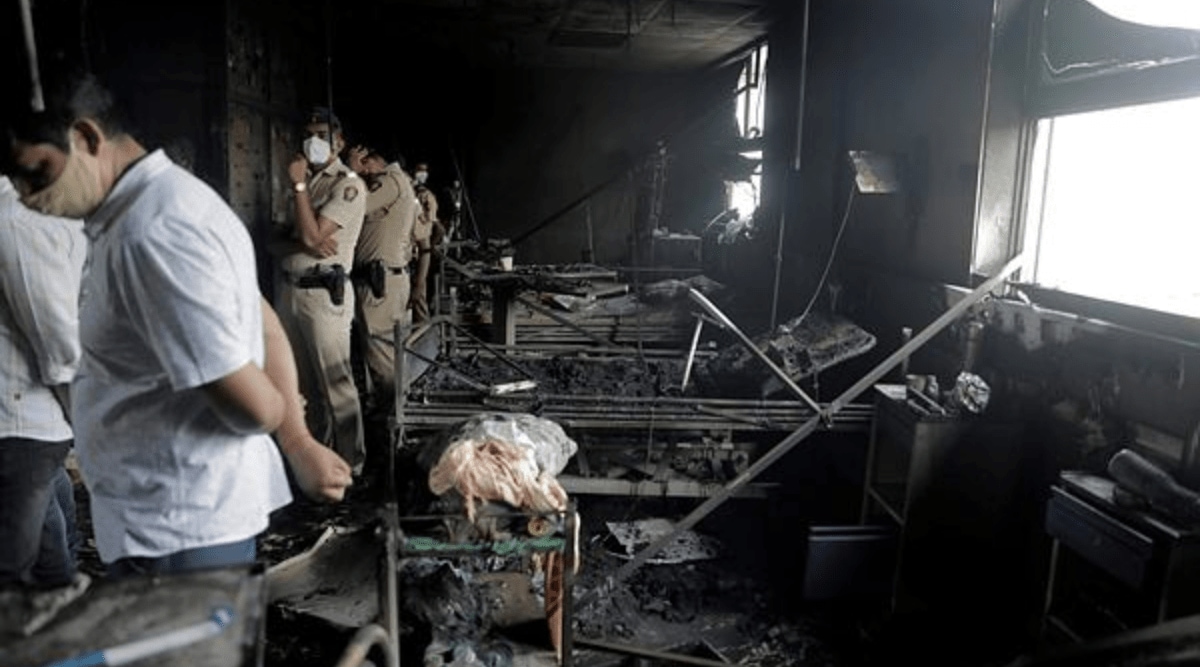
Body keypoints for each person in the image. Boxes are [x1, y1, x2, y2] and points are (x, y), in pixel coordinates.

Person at [3, 73, 353, 576]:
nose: (27, 196)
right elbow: (266, 322)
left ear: (85, 138)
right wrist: (296, 440)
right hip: (179, 516)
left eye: (36, 172)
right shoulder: (171, 202)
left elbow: (252, 408)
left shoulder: (153, 235)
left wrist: (279, 419)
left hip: (177, 528)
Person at [0, 174, 85, 589]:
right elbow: (59, 345)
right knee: (32, 572)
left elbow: (59, 342)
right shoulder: (16, 219)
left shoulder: (17, 218)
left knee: (40, 565)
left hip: (29, 423)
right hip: (23, 423)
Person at [273, 107, 367, 474]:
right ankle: (317, 462)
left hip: (323, 295)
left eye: (323, 135)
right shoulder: (309, 182)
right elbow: (274, 241)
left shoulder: (347, 184)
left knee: (336, 385)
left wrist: (297, 190)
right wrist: (304, 240)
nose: (313, 141)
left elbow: (311, 236)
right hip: (291, 291)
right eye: (309, 133)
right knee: (304, 388)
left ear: (339, 142)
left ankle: (350, 465)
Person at [346, 145, 421, 412]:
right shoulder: (397, 183)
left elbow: (354, 205)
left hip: (380, 282)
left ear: (378, 159)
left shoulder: (388, 182)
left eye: (366, 162)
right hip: (388, 279)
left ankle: (390, 424)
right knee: (387, 351)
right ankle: (391, 413)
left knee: (381, 354)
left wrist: (352, 174)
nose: (364, 168)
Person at [410, 161, 438, 323]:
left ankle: (424, 332)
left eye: (424, 171)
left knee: (419, 294)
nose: (422, 173)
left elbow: (431, 222)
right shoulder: (410, 192)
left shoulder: (426, 196)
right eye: (419, 170)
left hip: (420, 249)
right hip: (408, 248)